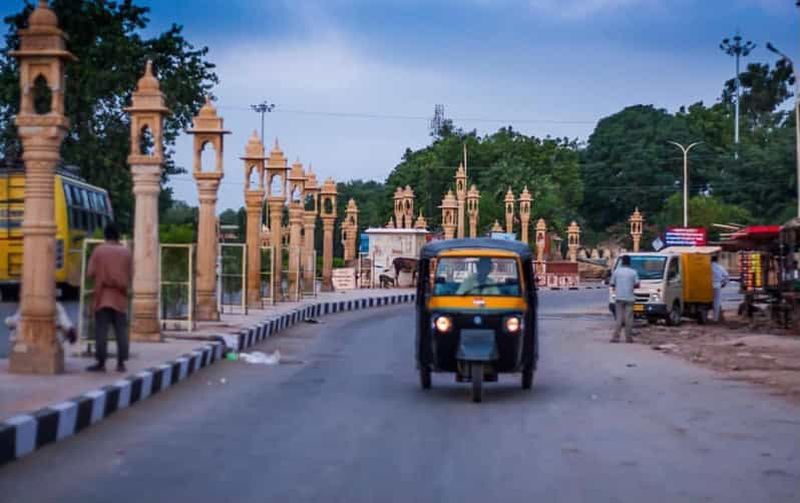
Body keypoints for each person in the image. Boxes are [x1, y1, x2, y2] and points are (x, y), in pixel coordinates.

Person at [86, 222, 132, 372]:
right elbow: (131, 274)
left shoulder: (99, 251)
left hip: (103, 296)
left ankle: (101, 362)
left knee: (101, 331)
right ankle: (121, 363)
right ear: (118, 235)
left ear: (105, 235)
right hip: (120, 296)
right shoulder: (126, 252)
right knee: (121, 331)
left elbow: (90, 273)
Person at [6, 290, 77, 346]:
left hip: (43, 337)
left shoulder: (27, 306)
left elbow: (14, 320)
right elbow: (65, 321)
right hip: (45, 336)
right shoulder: (56, 305)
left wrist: (8, 321)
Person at [610, 255, 640, 343]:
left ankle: (616, 337)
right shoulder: (633, 272)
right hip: (630, 298)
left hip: (619, 297)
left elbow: (612, 283)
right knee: (629, 318)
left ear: (622, 262)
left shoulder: (616, 272)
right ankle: (628, 338)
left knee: (619, 318)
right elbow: (637, 285)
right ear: (629, 262)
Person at [711, 255, 730, 322]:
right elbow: (726, 276)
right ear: (717, 260)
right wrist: (723, 284)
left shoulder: (706, 266)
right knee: (716, 302)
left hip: (706, 286)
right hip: (717, 285)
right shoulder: (719, 267)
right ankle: (715, 319)